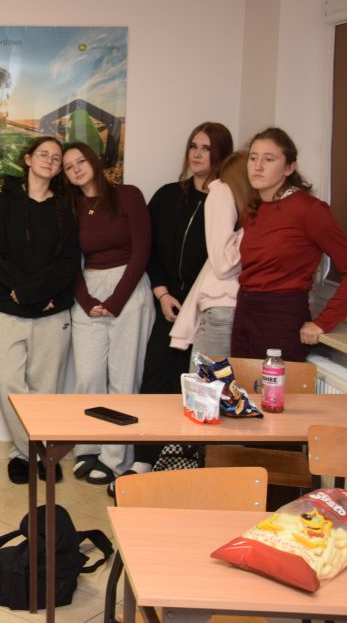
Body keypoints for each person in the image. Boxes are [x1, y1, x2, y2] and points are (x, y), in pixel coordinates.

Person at [134, 122, 232, 474]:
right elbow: (148, 250)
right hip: (168, 304)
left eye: (206, 148)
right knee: (156, 381)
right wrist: (162, 293)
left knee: (199, 389)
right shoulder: (167, 195)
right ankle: (144, 460)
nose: (197, 154)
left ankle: (185, 465)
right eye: (193, 146)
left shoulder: (226, 200)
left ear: (221, 155)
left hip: (207, 311)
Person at [0, 136, 79, 485]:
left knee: (45, 390)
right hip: (6, 309)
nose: (49, 161)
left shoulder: (65, 208)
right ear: (27, 159)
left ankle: (34, 455)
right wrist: (26, 293)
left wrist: (36, 294)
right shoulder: (2, 203)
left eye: (56, 158)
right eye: (43, 154)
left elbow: (68, 262)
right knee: (11, 387)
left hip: (52, 313)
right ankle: (29, 453)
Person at [230, 128, 347, 360]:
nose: (258, 166)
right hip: (245, 313)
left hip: (281, 318)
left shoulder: (309, 210)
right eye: (253, 158)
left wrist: (323, 322)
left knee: (276, 385)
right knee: (241, 383)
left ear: (289, 168)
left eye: (269, 159)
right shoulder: (253, 207)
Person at [62, 142, 152, 484]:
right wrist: (86, 300)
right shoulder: (72, 208)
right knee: (88, 376)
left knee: (123, 378)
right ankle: (88, 447)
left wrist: (116, 300)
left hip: (129, 286)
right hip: (88, 287)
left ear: (94, 161)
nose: (76, 169)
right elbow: (69, 258)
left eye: (80, 161)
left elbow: (142, 250)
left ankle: (114, 457)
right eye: (68, 166)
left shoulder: (128, 195)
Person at [170, 151, 252, 359]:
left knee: (210, 380)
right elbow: (223, 264)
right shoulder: (222, 193)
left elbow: (222, 264)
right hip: (225, 309)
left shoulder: (225, 196)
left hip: (228, 309)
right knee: (210, 379)